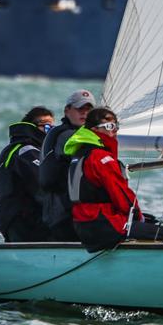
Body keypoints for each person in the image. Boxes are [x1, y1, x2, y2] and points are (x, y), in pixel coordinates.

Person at [64, 107, 163, 252]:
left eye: (116, 126)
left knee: (147, 226)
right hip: (103, 224)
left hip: (84, 224)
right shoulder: (101, 157)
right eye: (109, 126)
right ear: (94, 129)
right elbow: (121, 194)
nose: (115, 130)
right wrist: (137, 216)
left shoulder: (80, 154)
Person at [38, 89, 95, 241]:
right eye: (79, 109)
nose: (84, 113)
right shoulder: (70, 136)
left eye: (88, 110)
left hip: (57, 215)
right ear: (67, 111)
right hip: (65, 217)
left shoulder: (57, 132)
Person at [0, 106, 54, 242]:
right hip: (25, 223)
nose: (50, 133)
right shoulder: (26, 151)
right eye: (47, 128)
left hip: (15, 221)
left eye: (52, 128)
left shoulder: (18, 148)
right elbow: (43, 186)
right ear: (33, 128)